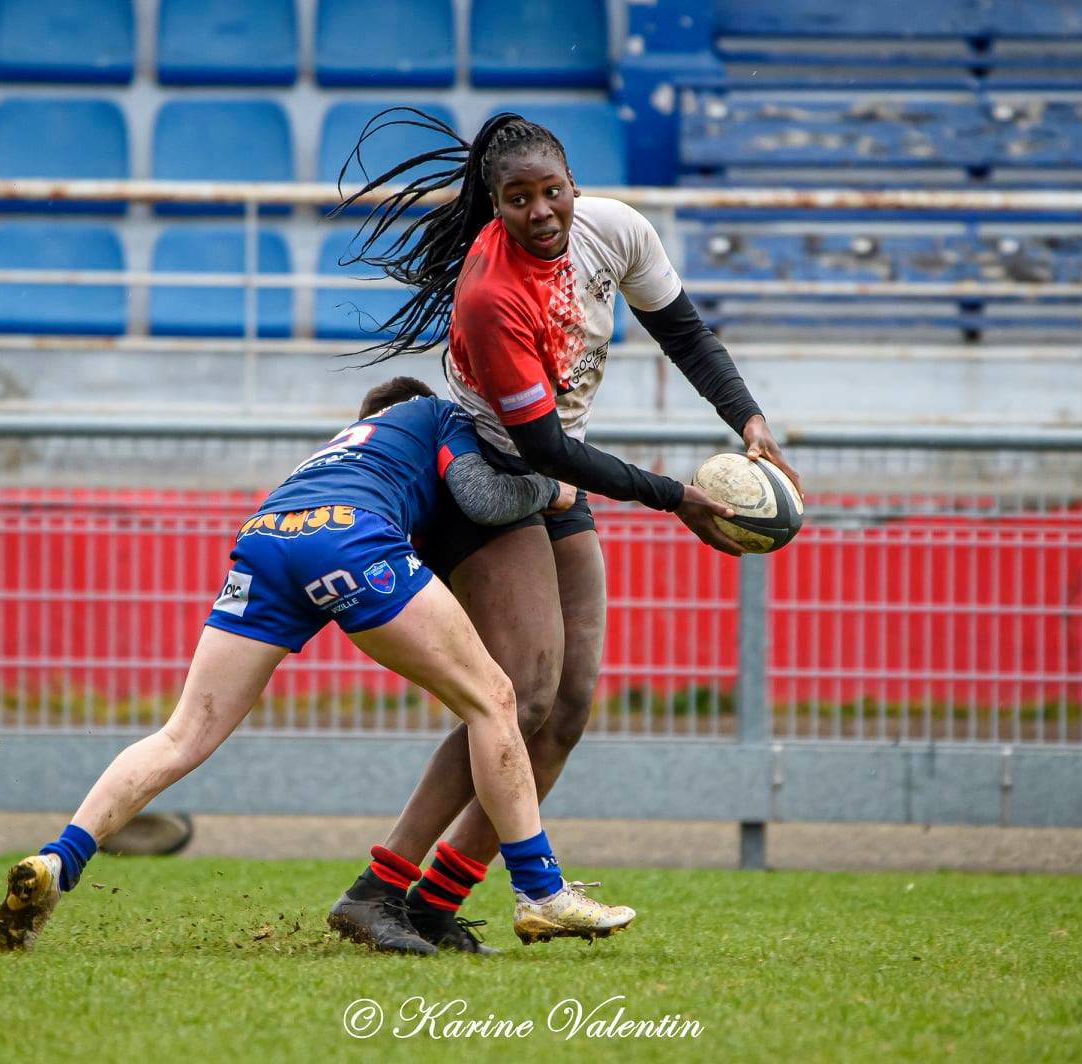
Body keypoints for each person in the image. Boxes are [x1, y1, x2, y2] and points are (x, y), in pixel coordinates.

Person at [322, 110, 803, 955]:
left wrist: (749, 419)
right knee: (520, 693)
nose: (540, 210)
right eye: (518, 198)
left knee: (568, 706)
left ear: (573, 182)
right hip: (486, 478)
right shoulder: (489, 294)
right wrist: (675, 498)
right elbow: (541, 447)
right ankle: (377, 888)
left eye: (552, 191)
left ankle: (435, 902)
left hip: (553, 478)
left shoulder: (615, 231)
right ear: (495, 204)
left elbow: (683, 332)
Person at [0, 377, 636, 956]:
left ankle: (58, 860)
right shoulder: (437, 415)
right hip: (350, 536)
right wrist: (553, 488)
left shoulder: (340, 447)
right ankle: (539, 888)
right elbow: (478, 493)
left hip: (266, 537)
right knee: (494, 699)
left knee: (183, 733)